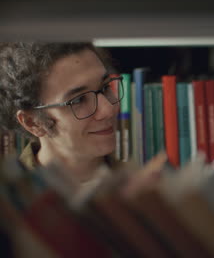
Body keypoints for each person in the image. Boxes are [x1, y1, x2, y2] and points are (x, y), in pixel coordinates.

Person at [0, 42, 123, 185]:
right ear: (32, 122)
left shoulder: (142, 185)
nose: (109, 109)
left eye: (105, 87)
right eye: (78, 100)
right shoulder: (10, 204)